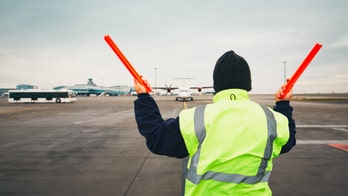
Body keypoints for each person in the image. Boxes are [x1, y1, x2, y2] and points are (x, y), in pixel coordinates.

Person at [133, 50, 296, 195]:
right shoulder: (273, 119)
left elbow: (156, 137)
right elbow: (287, 142)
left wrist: (144, 96)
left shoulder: (195, 117)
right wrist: (283, 105)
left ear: (216, 84)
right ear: (248, 84)